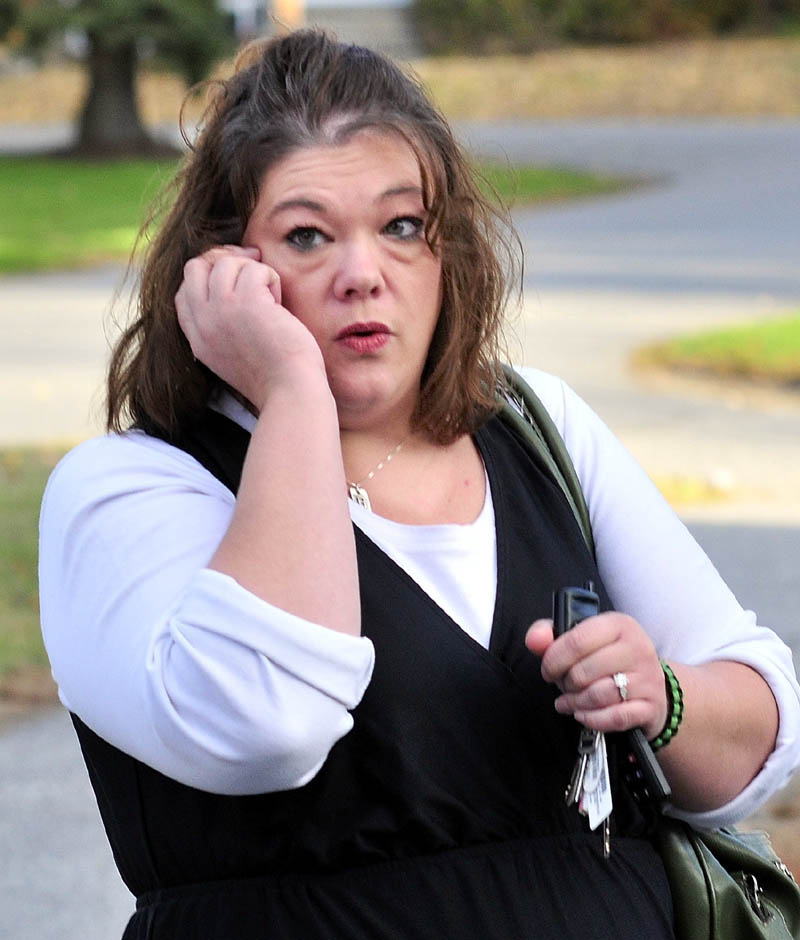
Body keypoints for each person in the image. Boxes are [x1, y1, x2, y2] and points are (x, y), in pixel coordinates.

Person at [38, 29, 800, 940]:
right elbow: (268, 725)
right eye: (307, 235)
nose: (364, 275)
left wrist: (661, 695)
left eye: (402, 226)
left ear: (449, 254)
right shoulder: (126, 489)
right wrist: (290, 392)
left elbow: (758, 739)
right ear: (221, 271)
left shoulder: (535, 426)